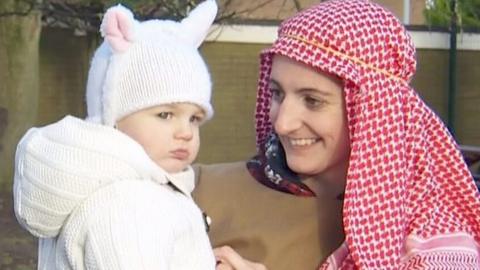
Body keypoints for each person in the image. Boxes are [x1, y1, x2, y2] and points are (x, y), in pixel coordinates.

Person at [193, 0, 480, 269]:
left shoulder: (431, 237)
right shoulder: (199, 188)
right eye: (277, 93)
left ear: (372, 110)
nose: (283, 123)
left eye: (312, 101)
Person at [13, 1, 221, 269]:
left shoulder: (141, 192)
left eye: (194, 118)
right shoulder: (128, 206)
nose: (186, 132)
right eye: (165, 115)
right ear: (112, 116)